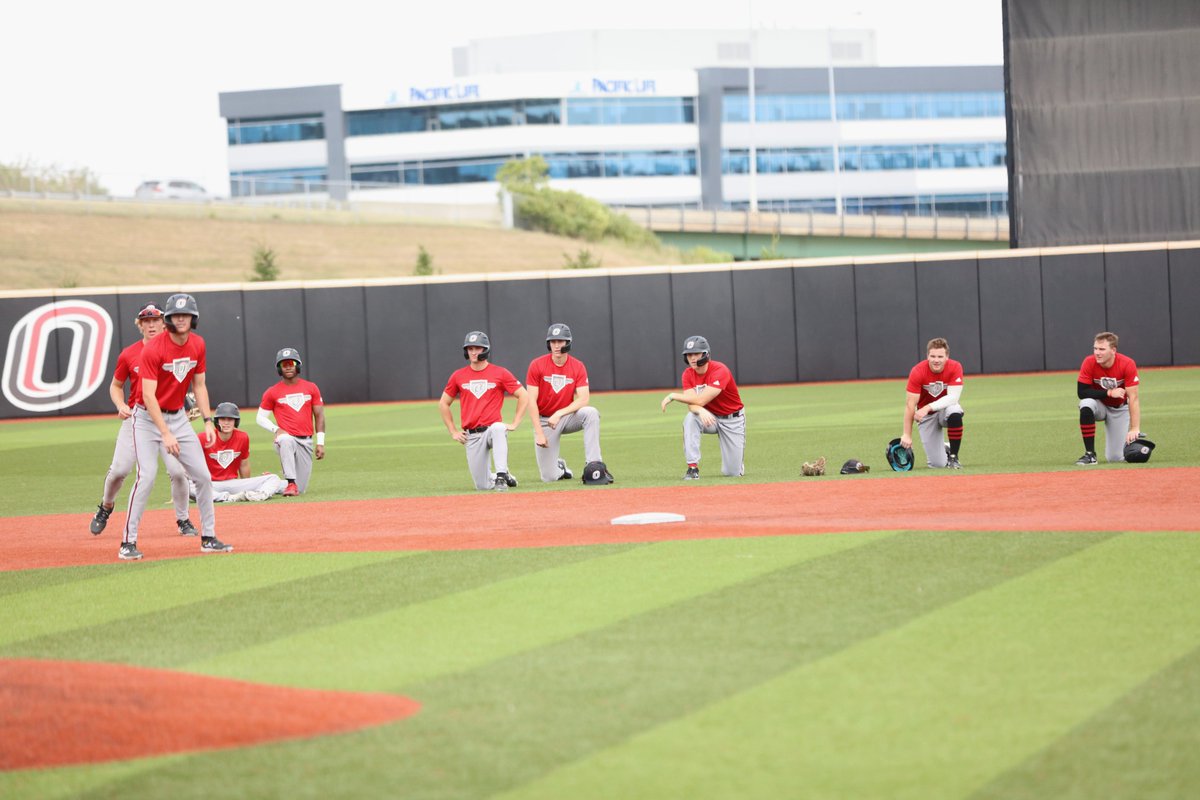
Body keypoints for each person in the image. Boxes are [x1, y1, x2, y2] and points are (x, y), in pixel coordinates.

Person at [119, 293, 233, 560]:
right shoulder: (154, 349)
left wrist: (207, 420)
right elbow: (148, 396)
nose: (181, 319)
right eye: (176, 315)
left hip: (179, 418)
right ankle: (127, 541)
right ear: (168, 319)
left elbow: (199, 385)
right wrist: (165, 433)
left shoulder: (198, 344)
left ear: (194, 318)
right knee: (146, 476)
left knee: (203, 476)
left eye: (186, 315)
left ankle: (208, 537)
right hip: (146, 420)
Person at [89, 303, 200, 537]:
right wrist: (120, 405)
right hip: (138, 419)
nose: (151, 325)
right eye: (146, 321)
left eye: (156, 320)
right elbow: (116, 385)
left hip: (170, 419)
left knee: (178, 471)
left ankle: (183, 519)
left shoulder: (178, 348)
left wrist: (188, 406)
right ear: (140, 325)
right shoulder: (129, 354)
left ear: (164, 322)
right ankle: (106, 506)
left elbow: (189, 380)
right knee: (119, 470)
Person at [439, 330, 529, 491]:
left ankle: (501, 476)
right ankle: (503, 476)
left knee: (499, 427)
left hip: (492, 430)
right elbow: (444, 403)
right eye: (470, 348)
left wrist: (515, 423)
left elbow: (523, 395)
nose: (473, 352)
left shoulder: (500, 372)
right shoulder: (458, 375)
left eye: (477, 348)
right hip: (472, 435)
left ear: (485, 349)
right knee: (482, 486)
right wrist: (453, 431)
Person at [525, 323, 603, 482]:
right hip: (545, 421)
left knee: (591, 413)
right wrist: (539, 433)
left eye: (560, 341)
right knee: (549, 477)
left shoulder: (577, 366)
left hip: (567, 417)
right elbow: (531, 401)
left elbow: (584, 398)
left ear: (568, 343)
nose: (556, 345)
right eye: (553, 341)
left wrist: (559, 413)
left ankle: (594, 464)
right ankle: (560, 468)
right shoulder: (536, 365)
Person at [660, 335, 745, 480]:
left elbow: (700, 399)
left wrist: (673, 396)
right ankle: (692, 468)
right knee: (691, 419)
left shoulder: (720, 370)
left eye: (696, 353)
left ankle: (737, 464)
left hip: (732, 419)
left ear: (706, 354)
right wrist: (699, 410)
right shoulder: (688, 374)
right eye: (689, 355)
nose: (692, 358)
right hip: (709, 417)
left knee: (732, 473)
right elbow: (692, 403)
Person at [256, 347, 325, 496]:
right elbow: (260, 417)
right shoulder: (272, 391)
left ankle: (270, 480)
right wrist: (276, 429)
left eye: (291, 363)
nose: (288, 367)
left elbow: (319, 415)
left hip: (306, 440)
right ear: (279, 368)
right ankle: (291, 483)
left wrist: (320, 442)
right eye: (283, 364)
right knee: (286, 440)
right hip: (285, 439)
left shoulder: (311, 387)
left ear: (297, 365)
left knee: (301, 488)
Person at [197, 402, 286, 501]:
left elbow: (244, 465)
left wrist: (247, 484)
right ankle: (228, 497)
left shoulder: (242, 437)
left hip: (233, 483)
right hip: (211, 484)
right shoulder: (203, 437)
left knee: (273, 478)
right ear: (217, 421)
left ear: (236, 421)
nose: (226, 423)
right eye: (223, 419)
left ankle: (258, 495)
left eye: (230, 419)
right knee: (188, 486)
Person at [1076, 331, 1141, 464]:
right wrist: (1109, 393)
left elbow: (1133, 398)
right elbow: (1082, 392)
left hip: (1119, 409)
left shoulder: (1127, 363)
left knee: (1115, 458)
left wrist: (1134, 428)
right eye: (1095, 348)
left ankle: (1133, 441)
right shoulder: (1089, 362)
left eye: (1102, 349)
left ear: (1113, 350)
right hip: (1100, 405)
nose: (1097, 353)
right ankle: (1090, 455)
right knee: (1086, 403)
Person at [901, 337, 965, 469]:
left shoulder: (955, 367)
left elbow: (953, 397)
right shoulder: (918, 371)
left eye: (940, 356)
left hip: (944, 410)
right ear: (927, 356)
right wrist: (907, 434)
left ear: (947, 357)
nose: (936, 360)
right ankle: (945, 447)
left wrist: (927, 407)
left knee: (954, 411)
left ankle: (953, 457)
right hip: (927, 417)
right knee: (938, 464)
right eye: (933, 356)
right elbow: (910, 405)